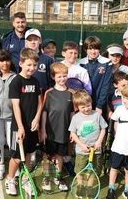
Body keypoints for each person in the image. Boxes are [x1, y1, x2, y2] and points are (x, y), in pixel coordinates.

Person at [5, 48, 43, 196]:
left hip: (32, 126)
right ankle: (10, 179)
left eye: (34, 65)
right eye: (28, 65)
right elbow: (16, 106)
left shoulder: (36, 81)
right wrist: (20, 127)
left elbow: (40, 102)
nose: (32, 68)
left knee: (28, 154)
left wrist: (37, 119)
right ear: (21, 63)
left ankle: (25, 179)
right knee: (16, 156)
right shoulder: (15, 82)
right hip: (19, 127)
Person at [41, 62, 74, 192]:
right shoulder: (49, 93)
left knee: (60, 156)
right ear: (53, 77)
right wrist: (43, 130)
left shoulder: (71, 93)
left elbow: (72, 114)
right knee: (47, 156)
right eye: (59, 76)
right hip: (50, 132)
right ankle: (46, 178)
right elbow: (44, 112)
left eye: (64, 76)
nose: (62, 79)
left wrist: (72, 131)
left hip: (63, 132)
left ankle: (58, 177)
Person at [68, 89, 107, 197]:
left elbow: (103, 129)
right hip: (82, 151)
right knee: (80, 171)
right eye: (82, 107)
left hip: (96, 150)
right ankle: (80, 186)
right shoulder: (76, 118)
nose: (86, 109)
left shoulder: (97, 115)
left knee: (93, 171)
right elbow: (73, 134)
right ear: (77, 107)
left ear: (91, 103)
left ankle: (90, 187)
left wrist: (99, 141)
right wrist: (81, 145)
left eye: (88, 105)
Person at [0, 49, 17, 180]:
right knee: (0, 141)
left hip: (11, 116)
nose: (5, 63)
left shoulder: (15, 77)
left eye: (7, 60)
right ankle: (1, 165)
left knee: (11, 141)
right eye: (2, 61)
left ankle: (14, 165)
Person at [77, 36, 112, 115]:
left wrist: (99, 106)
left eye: (96, 48)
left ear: (99, 49)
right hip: (84, 104)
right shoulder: (80, 63)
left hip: (100, 104)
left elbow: (105, 85)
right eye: (90, 49)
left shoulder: (107, 62)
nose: (93, 51)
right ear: (85, 49)